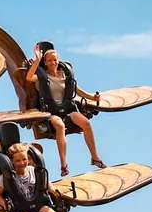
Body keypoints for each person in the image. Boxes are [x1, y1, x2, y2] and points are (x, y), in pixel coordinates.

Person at [24, 41, 105, 176]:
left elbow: (76, 90)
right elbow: (28, 77)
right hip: (51, 111)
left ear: (58, 60)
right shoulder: (42, 76)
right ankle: (64, 165)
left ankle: (95, 158)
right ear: (45, 61)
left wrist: (92, 98)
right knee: (60, 126)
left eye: (55, 60)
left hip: (68, 108)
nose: (53, 63)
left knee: (86, 123)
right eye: (49, 60)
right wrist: (37, 60)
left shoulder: (64, 73)